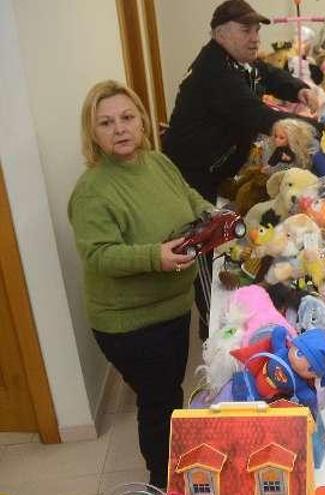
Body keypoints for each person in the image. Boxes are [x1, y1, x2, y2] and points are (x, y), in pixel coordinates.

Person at [68, 80, 214, 488]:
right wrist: (156, 256)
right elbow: (98, 254)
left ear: (142, 120)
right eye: (106, 122)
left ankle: (172, 467)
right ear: (92, 133)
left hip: (171, 306)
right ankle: (162, 480)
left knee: (167, 392)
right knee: (160, 400)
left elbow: (188, 196)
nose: (120, 129)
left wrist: (209, 215)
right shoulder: (93, 190)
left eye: (127, 117)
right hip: (129, 323)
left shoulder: (157, 162)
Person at [162, 0, 320, 203]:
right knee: (207, 229)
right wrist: (317, 128)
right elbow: (253, 111)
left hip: (217, 167)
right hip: (192, 175)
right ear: (220, 35)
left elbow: (268, 74)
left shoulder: (238, 59)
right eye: (246, 31)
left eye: (257, 31)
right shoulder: (214, 70)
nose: (255, 39)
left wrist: (300, 90)